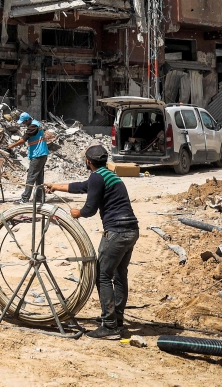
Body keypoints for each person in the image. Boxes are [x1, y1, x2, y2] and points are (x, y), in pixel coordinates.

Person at [45, 144, 139, 340]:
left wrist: (77, 213)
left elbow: (89, 209)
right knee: (120, 274)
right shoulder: (108, 175)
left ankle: (110, 326)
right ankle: (117, 319)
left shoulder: (97, 177)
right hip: (130, 230)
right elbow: (82, 186)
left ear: (88, 162)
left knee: (102, 275)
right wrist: (56, 186)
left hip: (116, 232)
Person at [8, 112, 49, 203]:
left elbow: (23, 139)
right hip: (42, 153)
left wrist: (12, 146)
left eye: (23, 122)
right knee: (39, 178)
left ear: (27, 120)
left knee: (31, 177)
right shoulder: (37, 123)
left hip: (38, 154)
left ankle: (25, 198)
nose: (23, 124)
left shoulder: (33, 127)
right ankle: (39, 198)